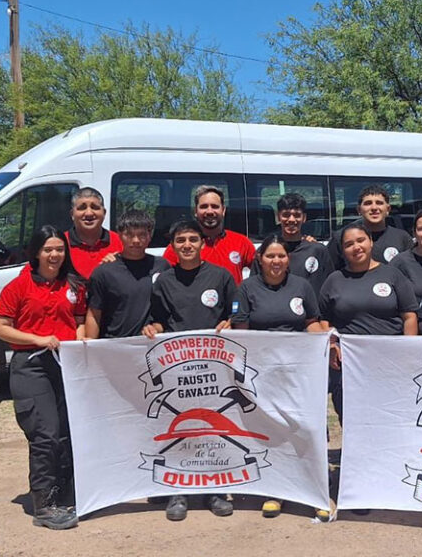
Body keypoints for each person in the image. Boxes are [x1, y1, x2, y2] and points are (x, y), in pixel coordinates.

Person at [0, 226, 86, 530]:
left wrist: (80, 337)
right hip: (31, 365)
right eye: (48, 249)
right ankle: (44, 504)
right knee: (45, 435)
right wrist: (36, 339)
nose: (54, 255)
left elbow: (80, 320)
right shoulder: (18, 286)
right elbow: (0, 328)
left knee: (67, 433)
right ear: (36, 252)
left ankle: (66, 493)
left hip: (65, 364)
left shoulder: (72, 285)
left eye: (59, 249)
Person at [144, 219, 238, 522]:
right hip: (177, 367)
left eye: (192, 239)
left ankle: (214, 489)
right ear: (172, 245)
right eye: (181, 240)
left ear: (201, 243)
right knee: (180, 426)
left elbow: (235, 313)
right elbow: (160, 320)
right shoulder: (164, 281)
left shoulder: (221, 276)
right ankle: (178, 491)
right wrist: (153, 328)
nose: (187, 245)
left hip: (215, 366)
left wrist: (231, 323)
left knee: (212, 426)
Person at [230, 235, 329, 521]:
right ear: (260, 260)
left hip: (299, 372)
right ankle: (276, 492)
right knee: (273, 430)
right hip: (264, 374)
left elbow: (311, 323)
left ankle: (317, 490)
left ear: (289, 260)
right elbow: (242, 332)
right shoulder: (247, 288)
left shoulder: (302, 286)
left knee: (309, 427)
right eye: (270, 256)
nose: (276, 261)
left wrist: (327, 342)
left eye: (281, 256)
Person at [319, 222, 419, 423]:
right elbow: (322, 319)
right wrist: (332, 345)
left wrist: (408, 350)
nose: (356, 247)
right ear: (342, 250)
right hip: (350, 364)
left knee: (391, 416)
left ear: (371, 241)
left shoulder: (392, 274)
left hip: (390, 361)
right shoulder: (334, 280)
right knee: (352, 418)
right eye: (349, 244)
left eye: (360, 240)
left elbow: (409, 316)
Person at [85, 210, 170, 340]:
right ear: (119, 235)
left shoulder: (162, 266)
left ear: (150, 235)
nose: (136, 240)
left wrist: (157, 327)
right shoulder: (104, 272)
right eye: (129, 235)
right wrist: (90, 345)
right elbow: (94, 314)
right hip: (114, 344)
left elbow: (169, 307)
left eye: (142, 235)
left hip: (151, 343)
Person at [163, 185, 255, 285]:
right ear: (195, 211)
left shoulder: (242, 242)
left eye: (215, 206)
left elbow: (262, 274)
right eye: (204, 207)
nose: (210, 211)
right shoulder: (181, 247)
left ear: (223, 210)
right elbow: (165, 282)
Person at [253, 193, 334, 295]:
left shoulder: (318, 251)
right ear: (278, 216)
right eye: (286, 215)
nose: (291, 220)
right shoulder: (265, 252)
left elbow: (331, 287)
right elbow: (254, 288)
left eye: (297, 215)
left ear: (304, 218)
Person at [327, 184, 414, 270]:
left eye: (379, 203)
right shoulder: (341, 238)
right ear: (359, 210)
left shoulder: (402, 238)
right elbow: (329, 273)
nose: (374, 208)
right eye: (368, 203)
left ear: (388, 209)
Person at [64, 187, 123, 279]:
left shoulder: (120, 242)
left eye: (95, 207)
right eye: (82, 208)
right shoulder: (61, 244)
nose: (89, 213)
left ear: (104, 213)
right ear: (72, 214)